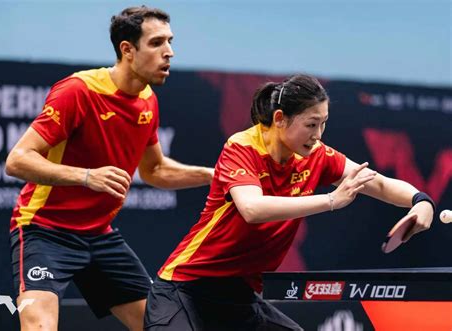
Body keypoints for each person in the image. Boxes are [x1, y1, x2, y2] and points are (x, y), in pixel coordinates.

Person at [143, 74, 435, 331]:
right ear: (280, 118)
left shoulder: (317, 155)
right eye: (311, 124)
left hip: (238, 296)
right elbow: (252, 209)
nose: (318, 135)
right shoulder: (242, 147)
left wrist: (420, 200)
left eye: (323, 124)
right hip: (185, 289)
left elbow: (378, 183)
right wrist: (331, 200)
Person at [5, 6, 213, 331]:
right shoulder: (78, 91)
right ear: (127, 50)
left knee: (164, 326)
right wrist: (86, 176)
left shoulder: (147, 100)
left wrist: (212, 175)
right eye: (157, 43)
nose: (169, 52)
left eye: (170, 41)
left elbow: (155, 170)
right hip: (44, 230)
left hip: (100, 236)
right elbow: (17, 160)